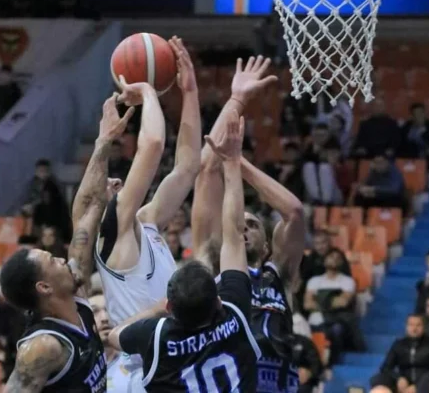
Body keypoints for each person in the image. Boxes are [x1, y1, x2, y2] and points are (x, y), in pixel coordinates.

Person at [109, 110, 262, 391]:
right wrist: (232, 165)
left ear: (170, 308)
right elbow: (232, 237)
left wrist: (156, 310)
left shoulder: (156, 337)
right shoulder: (235, 314)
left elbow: (114, 336)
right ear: (217, 300)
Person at [0, 92, 134, 392]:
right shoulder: (43, 347)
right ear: (44, 287)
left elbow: (86, 211)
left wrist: (104, 140)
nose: (60, 258)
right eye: (52, 261)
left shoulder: (77, 290)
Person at [190, 55, 305, 393]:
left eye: (253, 224)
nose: (243, 226)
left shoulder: (279, 274)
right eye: (238, 221)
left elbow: (294, 213)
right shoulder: (210, 261)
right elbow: (207, 169)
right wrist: (237, 100)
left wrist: (238, 163)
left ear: (268, 246)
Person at [93, 38, 201, 392]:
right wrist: (149, 92)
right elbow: (152, 146)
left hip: (169, 359)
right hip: (140, 371)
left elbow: (187, 167)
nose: (115, 182)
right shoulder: (116, 233)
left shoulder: (145, 223)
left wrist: (189, 92)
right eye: (107, 184)